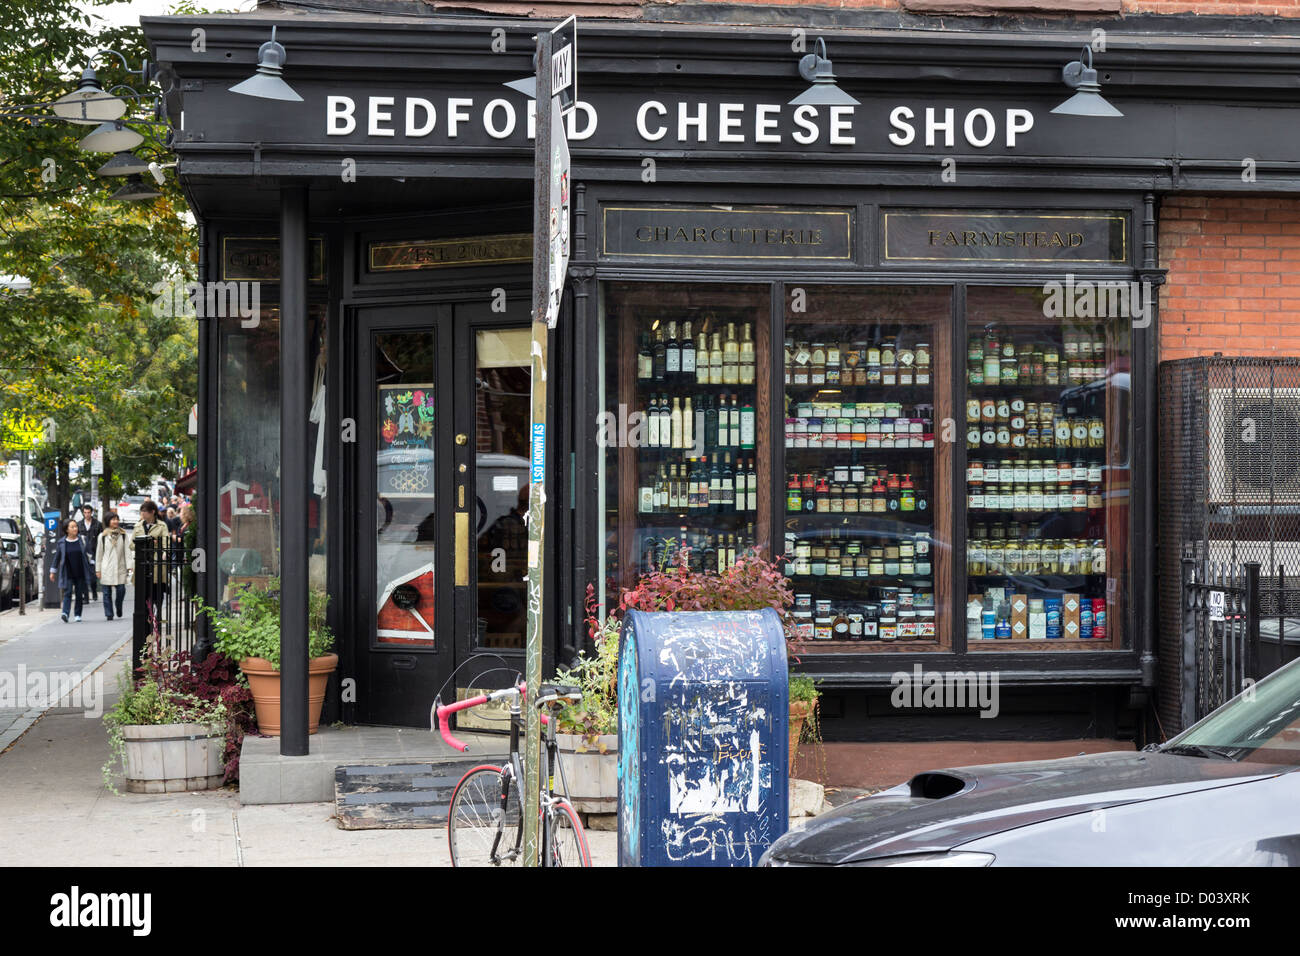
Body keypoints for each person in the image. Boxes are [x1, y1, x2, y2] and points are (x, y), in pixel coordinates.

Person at [130, 500, 169, 621]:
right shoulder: (138, 526)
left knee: (157, 589)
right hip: (142, 562)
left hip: (156, 562)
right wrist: (146, 543)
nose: (142, 514)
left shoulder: (162, 525)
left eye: (145, 512)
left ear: (152, 512)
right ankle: (147, 613)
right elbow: (131, 544)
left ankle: (158, 611)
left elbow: (166, 543)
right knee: (143, 589)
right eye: (141, 512)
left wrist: (162, 551)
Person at [50, 518, 92, 622]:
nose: (75, 528)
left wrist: (93, 565)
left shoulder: (82, 540)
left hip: (80, 571)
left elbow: (89, 553)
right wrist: (53, 571)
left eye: (76, 526)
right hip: (67, 572)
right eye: (72, 527)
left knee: (79, 594)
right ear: (66, 529)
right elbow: (57, 558)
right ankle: (65, 613)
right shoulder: (62, 542)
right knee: (67, 593)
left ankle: (78, 614)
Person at [97, 511, 129, 620]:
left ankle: (118, 606)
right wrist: (98, 569)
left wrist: (129, 566)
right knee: (106, 593)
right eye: (113, 519)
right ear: (108, 521)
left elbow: (127, 551)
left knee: (121, 590)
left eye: (117, 519)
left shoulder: (123, 535)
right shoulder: (102, 536)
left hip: (120, 566)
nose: (115, 521)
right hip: (106, 567)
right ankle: (109, 614)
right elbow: (99, 554)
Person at [77, 504, 103, 601]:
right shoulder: (79, 524)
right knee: (83, 574)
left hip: (94, 552)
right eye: (85, 513)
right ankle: (86, 596)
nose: (87, 514)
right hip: (83, 553)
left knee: (92, 575)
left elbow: (101, 539)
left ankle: (94, 590)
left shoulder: (98, 524)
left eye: (88, 512)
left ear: (91, 513)